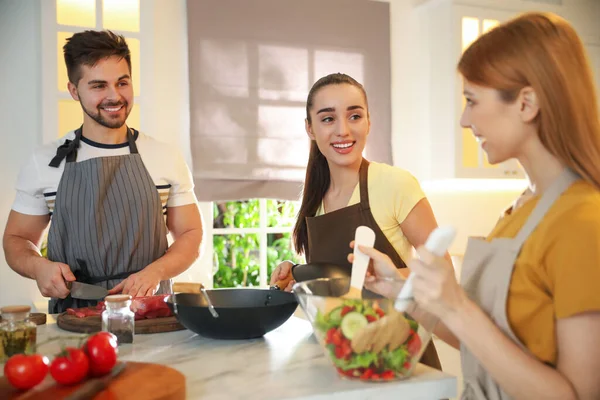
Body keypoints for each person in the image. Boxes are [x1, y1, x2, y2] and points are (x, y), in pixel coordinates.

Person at [355, 12, 600, 400]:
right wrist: (405, 289)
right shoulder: (519, 211)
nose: (464, 120)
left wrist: (456, 306)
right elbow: (481, 344)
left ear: (527, 103)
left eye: (471, 100)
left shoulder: (583, 222)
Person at [2, 30, 203, 314]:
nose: (114, 96)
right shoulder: (44, 162)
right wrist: (38, 267)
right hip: (74, 317)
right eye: (98, 86)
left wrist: (156, 272)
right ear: (74, 90)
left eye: (122, 82)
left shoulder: (165, 157)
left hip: (151, 311)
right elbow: (16, 239)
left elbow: (191, 233)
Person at [269, 72, 448, 370]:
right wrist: (300, 273)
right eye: (328, 119)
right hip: (340, 355)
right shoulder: (314, 198)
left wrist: (383, 280)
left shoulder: (395, 184)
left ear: (368, 122)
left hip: (396, 356)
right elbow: (337, 278)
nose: (343, 130)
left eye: (354, 116)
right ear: (310, 128)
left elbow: (443, 277)